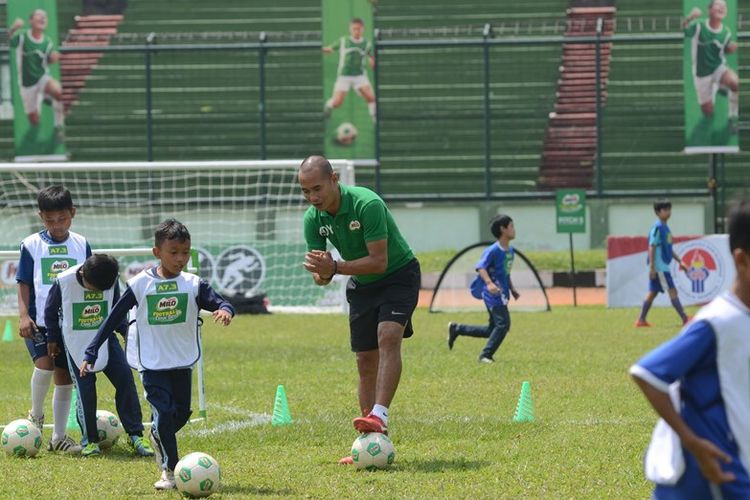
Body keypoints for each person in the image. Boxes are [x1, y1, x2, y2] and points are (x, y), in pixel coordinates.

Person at [81, 219, 234, 490]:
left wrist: (225, 310)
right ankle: (170, 471)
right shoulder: (140, 284)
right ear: (157, 252)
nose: (180, 258)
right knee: (163, 413)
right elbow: (112, 317)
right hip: (151, 361)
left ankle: (158, 435)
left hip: (180, 359)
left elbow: (220, 301)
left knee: (181, 413)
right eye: (173, 252)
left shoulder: (194, 283)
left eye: (185, 252)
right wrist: (92, 350)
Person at [299, 155, 421, 464]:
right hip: (362, 284)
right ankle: (370, 444)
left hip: (398, 275)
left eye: (317, 188)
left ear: (335, 179)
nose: (312, 197)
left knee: (389, 335)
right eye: (305, 191)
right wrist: (323, 271)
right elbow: (321, 279)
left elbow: (378, 261)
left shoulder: (368, 204)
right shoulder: (313, 219)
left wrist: (335, 266)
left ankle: (379, 415)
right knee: (365, 360)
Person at [629, 198, 750, 498]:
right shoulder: (718, 322)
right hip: (712, 476)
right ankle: (650, 317)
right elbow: (646, 373)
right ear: (742, 261)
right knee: (661, 294)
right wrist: (693, 442)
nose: (667, 212)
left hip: (735, 468)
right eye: (664, 208)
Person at [44, 254, 154, 458]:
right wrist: (52, 339)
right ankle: (90, 440)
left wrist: (123, 331)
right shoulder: (63, 281)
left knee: (125, 380)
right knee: (85, 389)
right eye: (94, 287)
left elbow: (117, 309)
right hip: (75, 341)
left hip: (105, 338)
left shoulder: (109, 281)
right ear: (83, 273)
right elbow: (50, 311)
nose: (98, 291)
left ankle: (135, 434)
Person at [16, 185, 89, 453]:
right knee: (44, 366)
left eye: (62, 219)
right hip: (39, 322)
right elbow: (23, 282)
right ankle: (35, 415)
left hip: (69, 323)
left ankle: (58, 437)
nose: (57, 225)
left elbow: (89, 282)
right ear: (40, 217)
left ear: (73, 213)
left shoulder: (81, 244)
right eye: (50, 220)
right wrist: (24, 315)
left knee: (64, 377)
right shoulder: (31, 245)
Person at [447, 215, 520, 363]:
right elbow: (481, 267)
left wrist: (512, 288)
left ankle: (458, 328)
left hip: (503, 293)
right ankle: (485, 355)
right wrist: (489, 283)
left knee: (492, 329)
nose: (514, 229)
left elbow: (505, 272)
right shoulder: (493, 250)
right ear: (503, 229)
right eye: (511, 226)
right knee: (503, 325)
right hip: (492, 294)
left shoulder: (510, 251)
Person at [8, 9, 65, 141]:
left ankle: (59, 126)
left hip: (42, 78)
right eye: (39, 15)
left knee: (57, 91)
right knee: (34, 121)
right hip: (27, 84)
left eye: (45, 16)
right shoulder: (22, 37)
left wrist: (54, 58)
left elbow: (49, 60)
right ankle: (43, 98)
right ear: (31, 20)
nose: (43, 18)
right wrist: (13, 28)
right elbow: (2, 40)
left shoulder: (47, 42)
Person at [683, 0, 739, 129]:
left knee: (735, 82)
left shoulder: (726, 32)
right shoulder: (698, 26)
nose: (722, 8)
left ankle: (733, 117)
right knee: (708, 113)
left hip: (718, 68)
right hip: (701, 74)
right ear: (709, 10)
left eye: (724, 6)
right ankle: (718, 87)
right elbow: (683, 30)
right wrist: (691, 17)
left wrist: (730, 49)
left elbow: (724, 49)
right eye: (718, 5)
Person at [635, 199, 690, 327]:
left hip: (661, 266)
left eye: (669, 209)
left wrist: (680, 261)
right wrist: (652, 267)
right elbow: (652, 246)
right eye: (665, 210)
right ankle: (685, 318)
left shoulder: (666, 228)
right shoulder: (658, 228)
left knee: (652, 293)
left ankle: (641, 320)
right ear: (657, 212)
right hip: (660, 267)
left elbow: (668, 249)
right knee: (673, 291)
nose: (668, 212)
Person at [322, 18, 377, 123]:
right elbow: (329, 49)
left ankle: (375, 119)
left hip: (360, 76)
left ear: (363, 29)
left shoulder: (367, 43)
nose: (356, 31)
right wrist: (321, 49)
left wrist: (372, 61)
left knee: (371, 98)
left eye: (359, 29)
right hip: (344, 76)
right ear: (350, 29)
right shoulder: (344, 41)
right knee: (337, 103)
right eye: (354, 29)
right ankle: (328, 105)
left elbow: (370, 56)